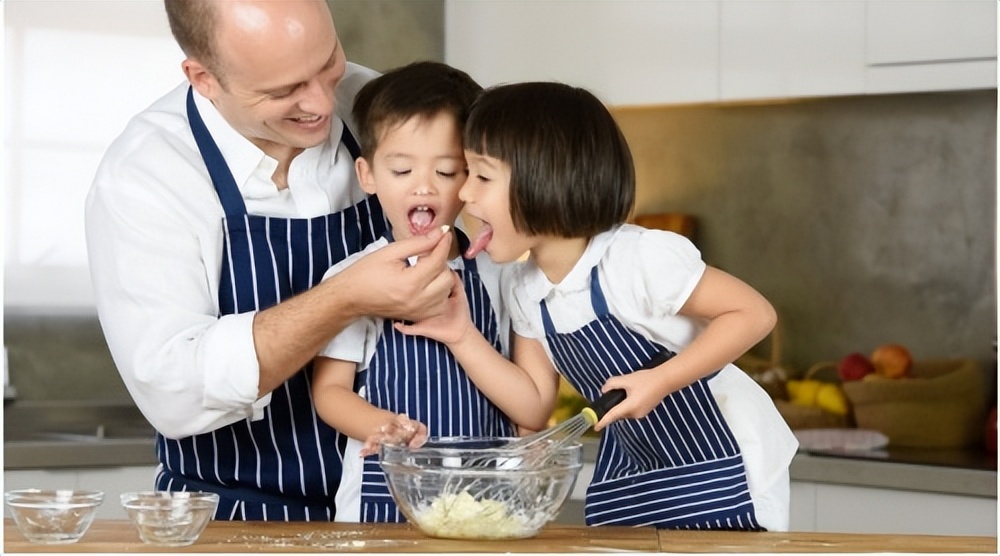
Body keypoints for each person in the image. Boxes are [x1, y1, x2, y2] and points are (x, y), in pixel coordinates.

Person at [84, 0, 455, 521]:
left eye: (329, 62)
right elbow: (175, 391)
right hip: (231, 518)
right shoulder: (147, 174)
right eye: (284, 91)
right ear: (204, 77)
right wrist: (345, 297)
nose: (323, 103)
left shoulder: (374, 105)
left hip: (402, 514)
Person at [397, 82, 800, 531]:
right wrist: (461, 334)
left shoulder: (636, 259)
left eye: (482, 176)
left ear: (545, 178)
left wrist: (661, 380)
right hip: (636, 465)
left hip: (726, 461)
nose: (465, 194)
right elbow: (533, 406)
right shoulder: (525, 287)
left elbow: (754, 314)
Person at [309, 61, 515, 523]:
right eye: (401, 170)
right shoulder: (351, 278)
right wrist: (381, 427)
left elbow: (525, 399)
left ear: (473, 176)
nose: (424, 186)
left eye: (446, 172)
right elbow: (330, 392)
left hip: (489, 501)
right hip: (380, 504)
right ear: (367, 175)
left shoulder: (500, 275)